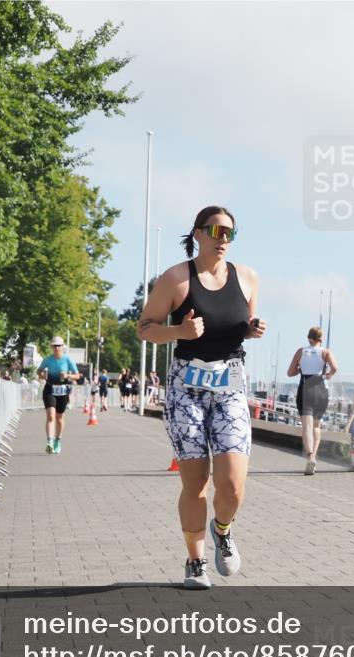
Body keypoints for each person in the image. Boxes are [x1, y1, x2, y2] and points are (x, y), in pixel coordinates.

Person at [137, 205, 266, 589]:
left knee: (232, 485)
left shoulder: (247, 277)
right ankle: (195, 561)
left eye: (229, 232)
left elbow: (241, 327)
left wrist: (252, 330)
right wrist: (179, 331)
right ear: (197, 233)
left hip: (229, 387)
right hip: (186, 390)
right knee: (195, 484)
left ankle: (222, 530)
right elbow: (145, 329)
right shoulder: (176, 279)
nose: (222, 238)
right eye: (215, 231)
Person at [286, 326, 338, 475]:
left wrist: (299, 369)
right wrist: (328, 375)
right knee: (316, 427)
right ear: (320, 339)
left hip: (306, 388)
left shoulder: (301, 352)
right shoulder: (326, 352)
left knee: (306, 427)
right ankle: (314, 456)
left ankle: (309, 457)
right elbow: (335, 367)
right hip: (321, 389)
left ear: (309, 338)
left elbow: (290, 372)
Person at [37, 336, 80, 454]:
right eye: (54, 346)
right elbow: (39, 371)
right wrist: (42, 375)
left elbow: (77, 376)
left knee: (59, 418)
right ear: (52, 347)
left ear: (63, 347)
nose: (56, 348)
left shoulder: (68, 360)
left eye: (59, 346)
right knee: (51, 416)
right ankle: (49, 442)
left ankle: (57, 441)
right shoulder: (47, 360)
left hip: (63, 391)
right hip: (50, 389)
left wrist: (67, 376)